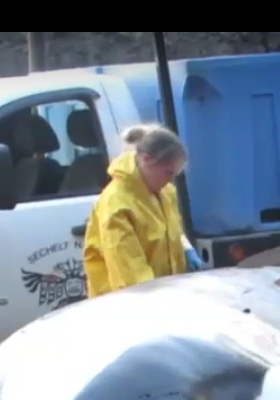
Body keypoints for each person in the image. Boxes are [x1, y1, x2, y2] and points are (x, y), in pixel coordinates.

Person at [82, 124, 203, 298]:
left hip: (161, 294)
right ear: (146, 159)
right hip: (127, 302)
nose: (170, 180)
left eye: (175, 174)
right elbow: (131, 274)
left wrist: (185, 247)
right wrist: (162, 300)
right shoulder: (117, 203)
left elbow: (169, 230)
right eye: (168, 173)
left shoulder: (164, 192)